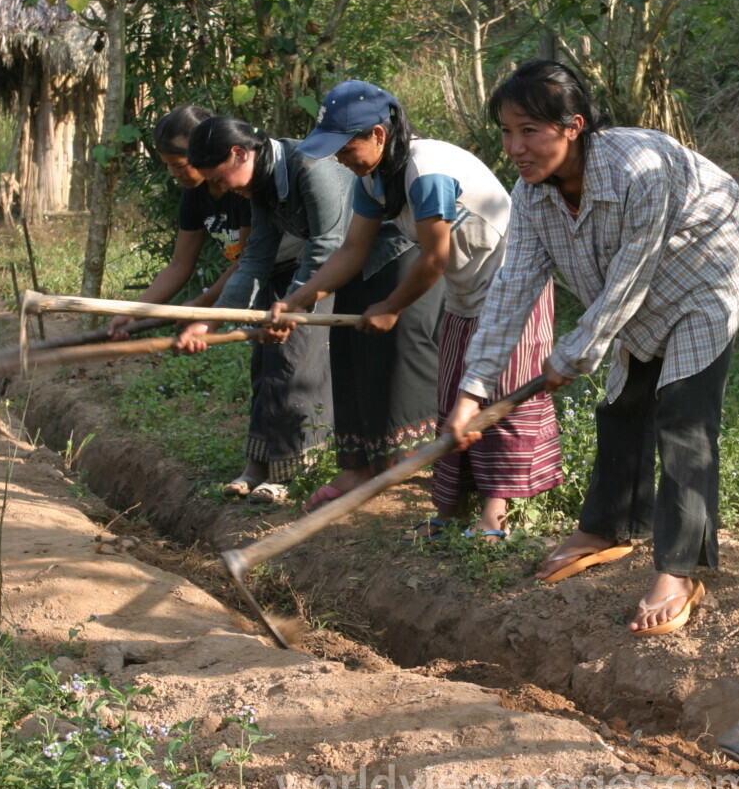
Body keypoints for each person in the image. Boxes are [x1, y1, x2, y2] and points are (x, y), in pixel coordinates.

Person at [446, 60, 739, 636]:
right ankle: (607, 527)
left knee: (684, 417)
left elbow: (629, 277)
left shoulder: (639, 168)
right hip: (638, 288)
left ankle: (681, 568)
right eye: (506, 132)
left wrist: (574, 353)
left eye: (530, 131)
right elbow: (512, 288)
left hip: (705, 269)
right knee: (624, 404)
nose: (515, 147)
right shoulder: (531, 196)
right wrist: (473, 390)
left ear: (573, 126)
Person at [271, 80, 562, 539]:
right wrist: (294, 301)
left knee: (499, 393)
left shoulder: (426, 173)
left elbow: (433, 259)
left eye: (345, 147)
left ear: (378, 136)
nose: (338, 158)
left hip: (515, 283)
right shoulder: (372, 179)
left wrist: (389, 306)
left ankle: (495, 516)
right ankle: (450, 513)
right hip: (467, 291)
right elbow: (351, 251)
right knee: (453, 396)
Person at [173, 116, 354, 502]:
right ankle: (258, 463)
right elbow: (254, 258)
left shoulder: (311, 167)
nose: (220, 189)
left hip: (349, 266)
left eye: (220, 178)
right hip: (308, 270)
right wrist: (211, 322)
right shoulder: (261, 185)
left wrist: (292, 306)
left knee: (295, 359)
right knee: (265, 362)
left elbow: (326, 248)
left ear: (240, 154)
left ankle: (292, 468)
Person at [106, 106, 247, 342]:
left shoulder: (242, 187)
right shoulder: (194, 194)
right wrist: (134, 313)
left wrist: (204, 304)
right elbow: (179, 266)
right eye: (168, 165)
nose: (173, 173)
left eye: (180, 165)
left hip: (295, 278)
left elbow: (251, 260)